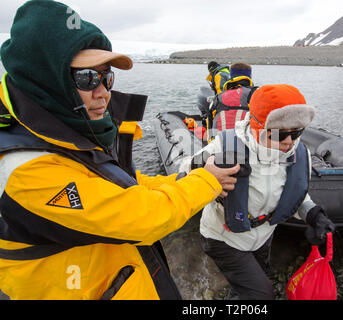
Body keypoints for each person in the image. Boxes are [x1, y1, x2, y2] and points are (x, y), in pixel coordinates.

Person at [0, 1, 239, 300]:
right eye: (87, 78)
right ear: (46, 79)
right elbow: (142, 217)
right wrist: (207, 181)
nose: (104, 91)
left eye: (107, 77)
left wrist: (192, 174)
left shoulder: (64, 133)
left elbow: (120, 185)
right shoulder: (26, 171)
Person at [180, 84, 336, 300]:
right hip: (224, 237)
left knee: (248, 286)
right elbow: (185, 168)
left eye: (297, 132)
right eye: (281, 134)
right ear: (257, 127)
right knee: (261, 295)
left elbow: (295, 193)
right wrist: (210, 166)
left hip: (264, 235)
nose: (289, 142)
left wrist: (313, 214)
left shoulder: (299, 154)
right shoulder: (226, 146)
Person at [208, 62, 258, 135]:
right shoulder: (257, 94)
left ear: (230, 76)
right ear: (249, 76)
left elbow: (210, 124)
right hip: (248, 143)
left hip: (219, 143)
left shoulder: (217, 98)